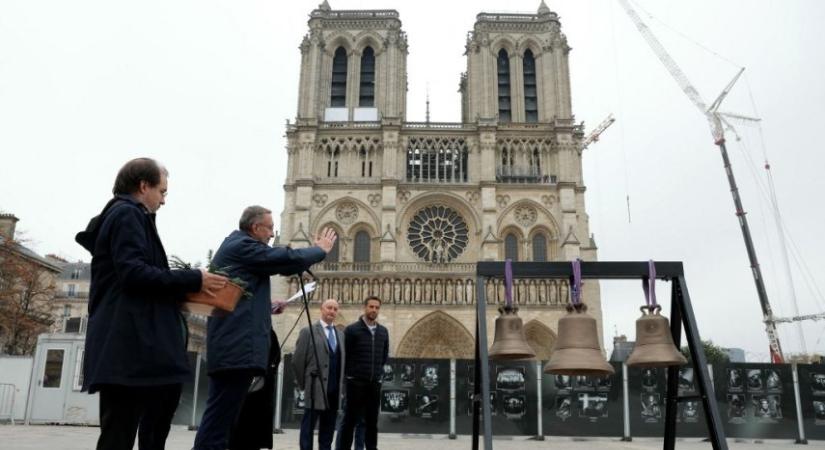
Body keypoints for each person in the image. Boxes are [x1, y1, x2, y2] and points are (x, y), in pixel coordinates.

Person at [75, 157, 228, 450]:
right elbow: (134, 274)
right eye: (162, 191)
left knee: (135, 424)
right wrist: (193, 279)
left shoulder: (128, 215)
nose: (164, 200)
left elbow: (139, 278)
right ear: (144, 186)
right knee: (120, 432)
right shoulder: (127, 215)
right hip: (128, 348)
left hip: (131, 348)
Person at [193, 206, 336, 450]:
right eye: (269, 228)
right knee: (219, 421)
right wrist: (319, 251)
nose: (272, 234)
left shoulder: (241, 248)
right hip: (235, 350)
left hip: (233, 348)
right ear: (255, 228)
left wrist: (267, 306)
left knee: (224, 419)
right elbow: (282, 260)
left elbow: (238, 297)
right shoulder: (242, 246)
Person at [337, 296, 389, 450]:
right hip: (356, 382)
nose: (374, 310)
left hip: (374, 383)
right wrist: (351, 376)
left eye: (377, 307)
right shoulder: (352, 330)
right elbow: (346, 355)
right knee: (350, 420)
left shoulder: (383, 332)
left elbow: (383, 356)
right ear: (365, 308)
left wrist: (377, 373)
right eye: (371, 307)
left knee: (372, 421)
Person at [294, 299, 345, 450]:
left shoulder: (341, 335)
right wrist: (305, 384)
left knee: (328, 429)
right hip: (314, 389)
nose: (332, 311)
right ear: (321, 309)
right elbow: (297, 361)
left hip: (334, 390)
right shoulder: (308, 331)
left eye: (335, 309)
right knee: (308, 428)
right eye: (329, 308)